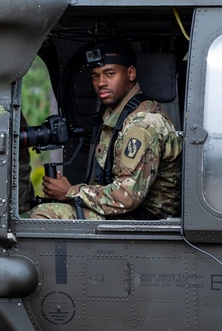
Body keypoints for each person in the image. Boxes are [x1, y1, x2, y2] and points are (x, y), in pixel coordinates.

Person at [31, 38, 182, 220]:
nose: (101, 82)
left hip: (146, 219)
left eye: (109, 74)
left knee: (46, 215)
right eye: (95, 76)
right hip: (126, 213)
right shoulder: (115, 115)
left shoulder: (142, 125)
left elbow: (127, 197)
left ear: (131, 73)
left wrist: (70, 191)